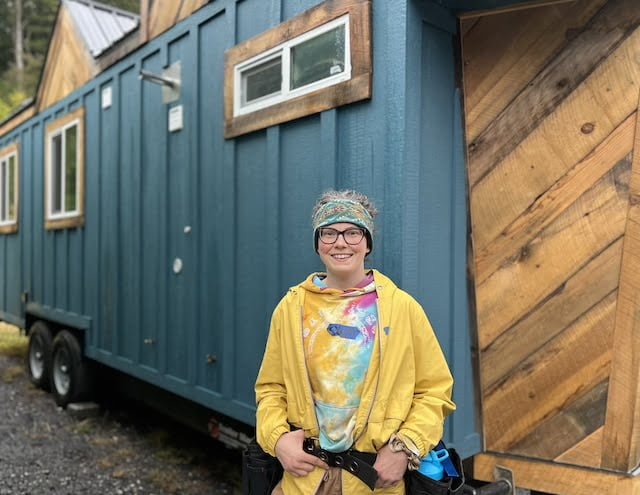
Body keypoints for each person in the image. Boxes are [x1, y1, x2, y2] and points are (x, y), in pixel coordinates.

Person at [255, 190, 456, 494]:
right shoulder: (291, 308)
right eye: (329, 233)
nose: (340, 242)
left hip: (374, 482)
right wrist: (278, 439)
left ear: (367, 242)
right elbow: (271, 388)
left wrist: (404, 447)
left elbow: (434, 391)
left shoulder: (401, 309)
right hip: (305, 479)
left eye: (352, 232)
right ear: (317, 243)